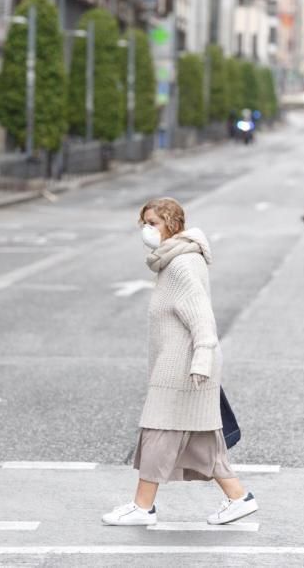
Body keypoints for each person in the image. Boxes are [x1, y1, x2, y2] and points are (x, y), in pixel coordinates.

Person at [102, 198, 257, 527]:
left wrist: (201, 358)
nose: (146, 230)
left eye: (153, 223)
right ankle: (238, 498)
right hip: (185, 364)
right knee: (202, 439)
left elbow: (202, 318)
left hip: (184, 366)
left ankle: (142, 507)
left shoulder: (180, 265)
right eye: (143, 223)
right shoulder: (176, 259)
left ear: (172, 224)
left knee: (158, 431)